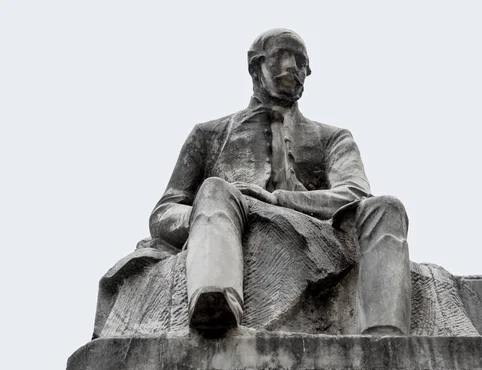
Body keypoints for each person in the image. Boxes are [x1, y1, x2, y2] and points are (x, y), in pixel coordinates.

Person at [150, 29, 411, 335]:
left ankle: (385, 336)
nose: (293, 67)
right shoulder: (208, 134)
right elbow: (164, 212)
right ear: (255, 66)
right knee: (214, 188)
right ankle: (215, 303)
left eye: (301, 61)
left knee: (387, 207)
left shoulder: (332, 137)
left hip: (313, 225)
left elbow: (354, 193)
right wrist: (204, 213)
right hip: (234, 216)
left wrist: (278, 200)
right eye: (282, 56)